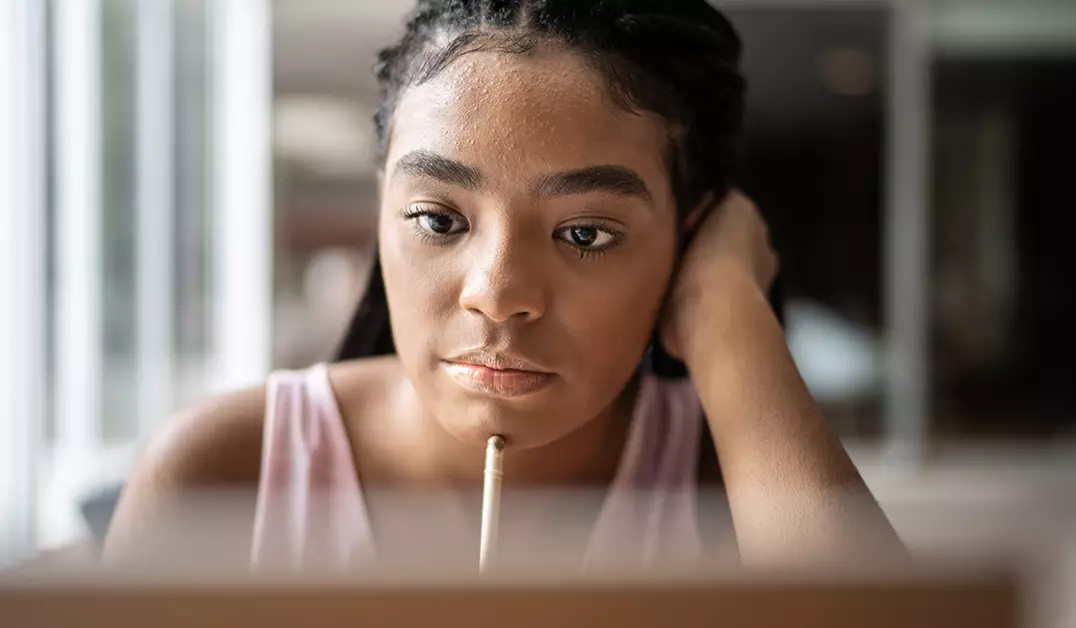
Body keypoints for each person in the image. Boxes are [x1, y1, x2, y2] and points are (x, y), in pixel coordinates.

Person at [104, 0, 902, 571]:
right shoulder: (224, 476)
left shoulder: (732, 481)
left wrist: (726, 310)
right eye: (439, 220)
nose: (497, 292)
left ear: (687, 238)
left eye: (584, 233)